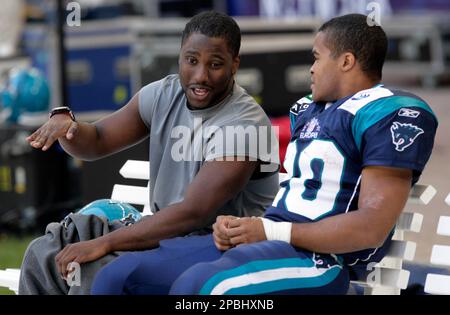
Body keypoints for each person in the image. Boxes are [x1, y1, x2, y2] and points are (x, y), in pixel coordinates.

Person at [90, 13, 438, 295]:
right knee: (119, 275)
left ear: (346, 61)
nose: (311, 69)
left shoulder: (391, 112)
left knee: (202, 289)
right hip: (273, 242)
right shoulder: (309, 109)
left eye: (317, 58)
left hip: (323, 262)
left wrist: (271, 232)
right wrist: (246, 227)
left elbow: (371, 228)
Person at [19, 11, 279, 295]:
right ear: (180, 57)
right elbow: (96, 141)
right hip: (165, 234)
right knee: (45, 250)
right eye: (191, 61)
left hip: (219, 244)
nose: (201, 75)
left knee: (96, 268)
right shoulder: (164, 94)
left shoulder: (244, 123)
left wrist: (104, 242)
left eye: (215, 64)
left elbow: (193, 213)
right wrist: (68, 127)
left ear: (234, 65)